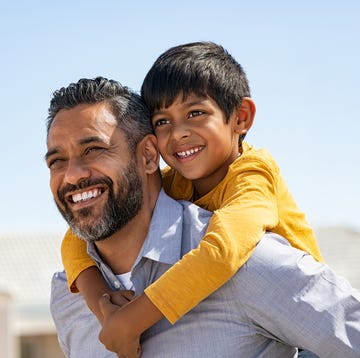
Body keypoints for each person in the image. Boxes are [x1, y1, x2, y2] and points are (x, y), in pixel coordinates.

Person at [47, 77, 360, 358]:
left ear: (147, 155)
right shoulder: (67, 294)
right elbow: (75, 238)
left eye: (93, 150)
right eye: (57, 161)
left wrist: (129, 320)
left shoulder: (250, 261)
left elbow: (222, 254)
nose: (72, 175)